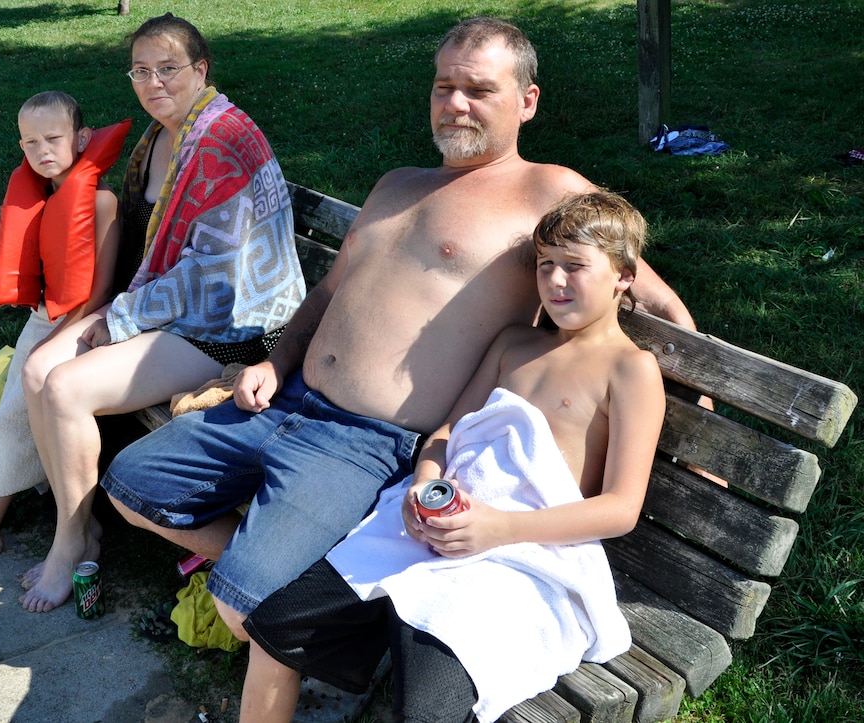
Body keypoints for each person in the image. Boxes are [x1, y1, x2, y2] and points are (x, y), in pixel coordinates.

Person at [100, 16, 693, 638]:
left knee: (245, 606)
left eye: (479, 90)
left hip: (369, 443)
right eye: (443, 87)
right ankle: (282, 570)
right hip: (287, 402)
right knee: (129, 485)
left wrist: (697, 400)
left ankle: (283, 587)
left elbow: (653, 298)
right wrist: (274, 364)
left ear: (527, 101)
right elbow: (327, 292)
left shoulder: (547, 189)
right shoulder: (397, 185)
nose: (455, 104)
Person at [239, 190, 665, 722]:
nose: (555, 281)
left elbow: (621, 508)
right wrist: (423, 484)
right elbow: (447, 432)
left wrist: (497, 529)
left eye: (575, 266)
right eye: (545, 265)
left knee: (426, 708)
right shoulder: (515, 344)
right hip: (441, 523)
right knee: (277, 628)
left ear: (624, 276)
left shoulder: (630, 369)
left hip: (521, 553)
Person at [16, 13, 306, 612]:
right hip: (178, 313)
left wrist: (120, 318)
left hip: (235, 330)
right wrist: (114, 309)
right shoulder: (163, 136)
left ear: (201, 70)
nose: (154, 82)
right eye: (141, 71)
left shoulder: (220, 141)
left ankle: (71, 541)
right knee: (37, 369)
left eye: (169, 68)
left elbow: (215, 279)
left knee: (66, 388)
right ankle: (85, 525)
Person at [0, 90, 127, 574]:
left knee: (15, 420)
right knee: (5, 417)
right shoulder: (50, 194)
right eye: (29, 142)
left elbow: (97, 293)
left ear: (81, 137)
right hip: (43, 320)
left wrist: (58, 339)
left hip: (79, 327)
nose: (41, 150)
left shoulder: (100, 201)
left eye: (53, 138)